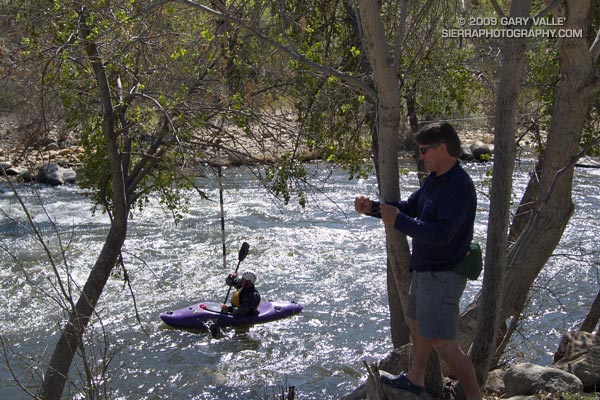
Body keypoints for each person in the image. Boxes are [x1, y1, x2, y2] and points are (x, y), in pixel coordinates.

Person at [354, 122, 482, 399]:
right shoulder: (434, 181)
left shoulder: (459, 186)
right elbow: (409, 209)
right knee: (416, 324)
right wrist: (374, 209)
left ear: (443, 149)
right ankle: (416, 378)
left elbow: (442, 234)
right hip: (425, 271)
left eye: (425, 150)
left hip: (444, 275)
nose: (421, 156)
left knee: (445, 345)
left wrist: (398, 221)